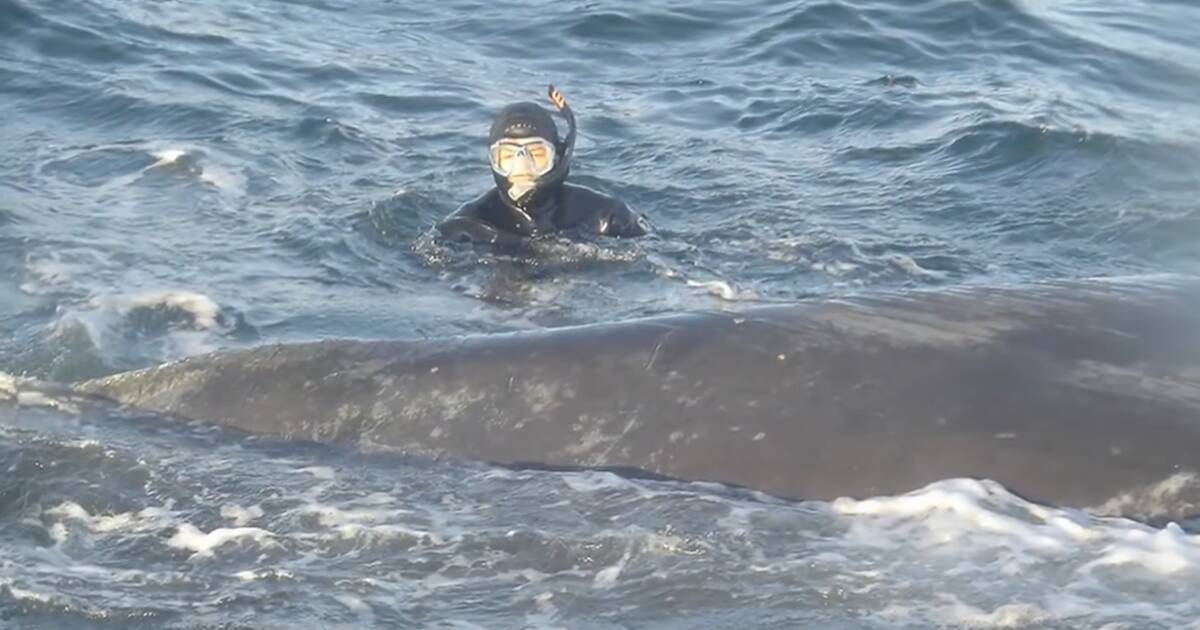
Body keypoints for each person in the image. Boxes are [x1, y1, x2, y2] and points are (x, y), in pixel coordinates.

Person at [435, 85, 649, 246]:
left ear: (558, 156)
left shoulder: (606, 216)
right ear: (493, 160)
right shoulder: (464, 228)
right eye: (507, 155)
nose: (522, 167)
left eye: (536, 153)